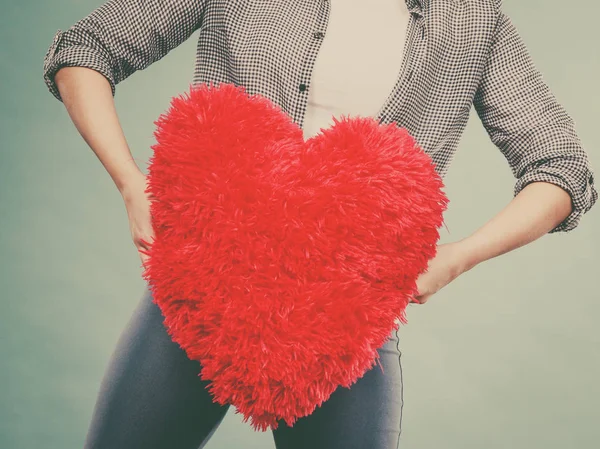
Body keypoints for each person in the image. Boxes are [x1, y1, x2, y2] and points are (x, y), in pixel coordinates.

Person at [42, 1, 597, 448]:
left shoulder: (475, 20)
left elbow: (562, 170)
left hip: (344, 318)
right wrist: (130, 183)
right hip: (203, 289)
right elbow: (83, 51)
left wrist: (457, 258)